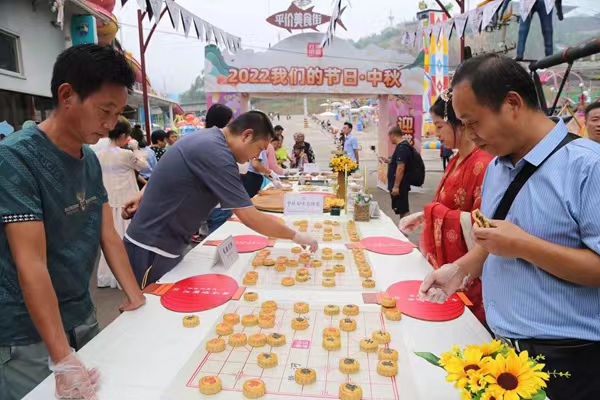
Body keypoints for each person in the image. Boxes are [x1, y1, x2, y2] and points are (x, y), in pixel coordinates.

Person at [419, 54, 600, 400]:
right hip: (503, 352)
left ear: (513, 103)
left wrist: (524, 246)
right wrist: (460, 270)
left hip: (567, 360)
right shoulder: (497, 168)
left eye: (474, 122)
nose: (469, 135)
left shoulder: (588, 167)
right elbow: (494, 240)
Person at [0, 44, 145, 400]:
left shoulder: (90, 160)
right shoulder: (16, 158)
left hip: (80, 314)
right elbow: (30, 263)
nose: (112, 123)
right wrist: (62, 358)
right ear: (67, 95)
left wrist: (135, 295)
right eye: (104, 110)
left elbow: (106, 234)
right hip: (27, 333)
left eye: (117, 112)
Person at [121, 111, 317, 286]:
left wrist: (142, 194)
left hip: (165, 241)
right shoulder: (216, 152)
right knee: (148, 313)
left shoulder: (207, 138)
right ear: (246, 135)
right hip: (152, 246)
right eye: (259, 148)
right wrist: (294, 235)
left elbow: (168, 165)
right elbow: (248, 216)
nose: (257, 155)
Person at [399, 94, 493, 324]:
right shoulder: (455, 159)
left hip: (467, 271)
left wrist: (437, 214)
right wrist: (427, 216)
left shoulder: (483, 163)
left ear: (459, 122)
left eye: (440, 126)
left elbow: (484, 223)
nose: (437, 133)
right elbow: (449, 206)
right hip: (445, 267)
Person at [96, 120, 148, 288]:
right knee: (128, 237)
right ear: (124, 135)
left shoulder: (99, 154)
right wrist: (135, 148)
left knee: (110, 238)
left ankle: (108, 275)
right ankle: (131, 274)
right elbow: (143, 165)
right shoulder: (125, 154)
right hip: (127, 199)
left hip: (109, 199)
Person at [205, 103, 235, 234]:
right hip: (220, 204)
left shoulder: (202, 139)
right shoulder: (221, 144)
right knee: (219, 239)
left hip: (207, 205)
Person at [379, 127, 413, 218]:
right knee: (400, 207)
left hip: (401, 185)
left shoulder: (402, 148)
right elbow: (398, 163)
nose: (389, 140)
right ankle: (403, 228)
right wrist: (388, 161)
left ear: (393, 135)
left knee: (403, 209)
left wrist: (396, 186)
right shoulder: (401, 147)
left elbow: (401, 168)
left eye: (389, 137)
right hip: (399, 184)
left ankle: (405, 230)